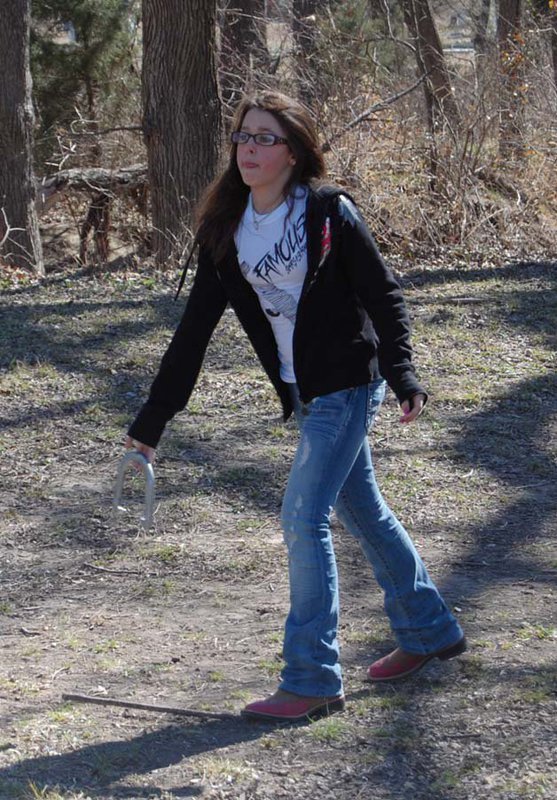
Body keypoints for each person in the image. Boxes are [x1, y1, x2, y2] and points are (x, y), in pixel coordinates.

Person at [126, 91, 465, 722]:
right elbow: (194, 330)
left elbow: (382, 294)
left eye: (264, 139)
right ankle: (428, 629)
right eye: (243, 137)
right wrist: (153, 421)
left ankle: (312, 678)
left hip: (348, 383)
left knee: (302, 518)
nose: (248, 150)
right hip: (304, 391)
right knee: (363, 510)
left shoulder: (328, 214)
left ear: (293, 152)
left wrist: (403, 371)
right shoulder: (226, 228)